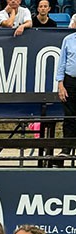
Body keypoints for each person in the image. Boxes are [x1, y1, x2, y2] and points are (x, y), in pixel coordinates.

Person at [57, 30, 76, 159]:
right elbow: (62, 62)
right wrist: (60, 84)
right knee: (69, 116)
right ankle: (66, 149)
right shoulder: (68, 39)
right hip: (70, 81)